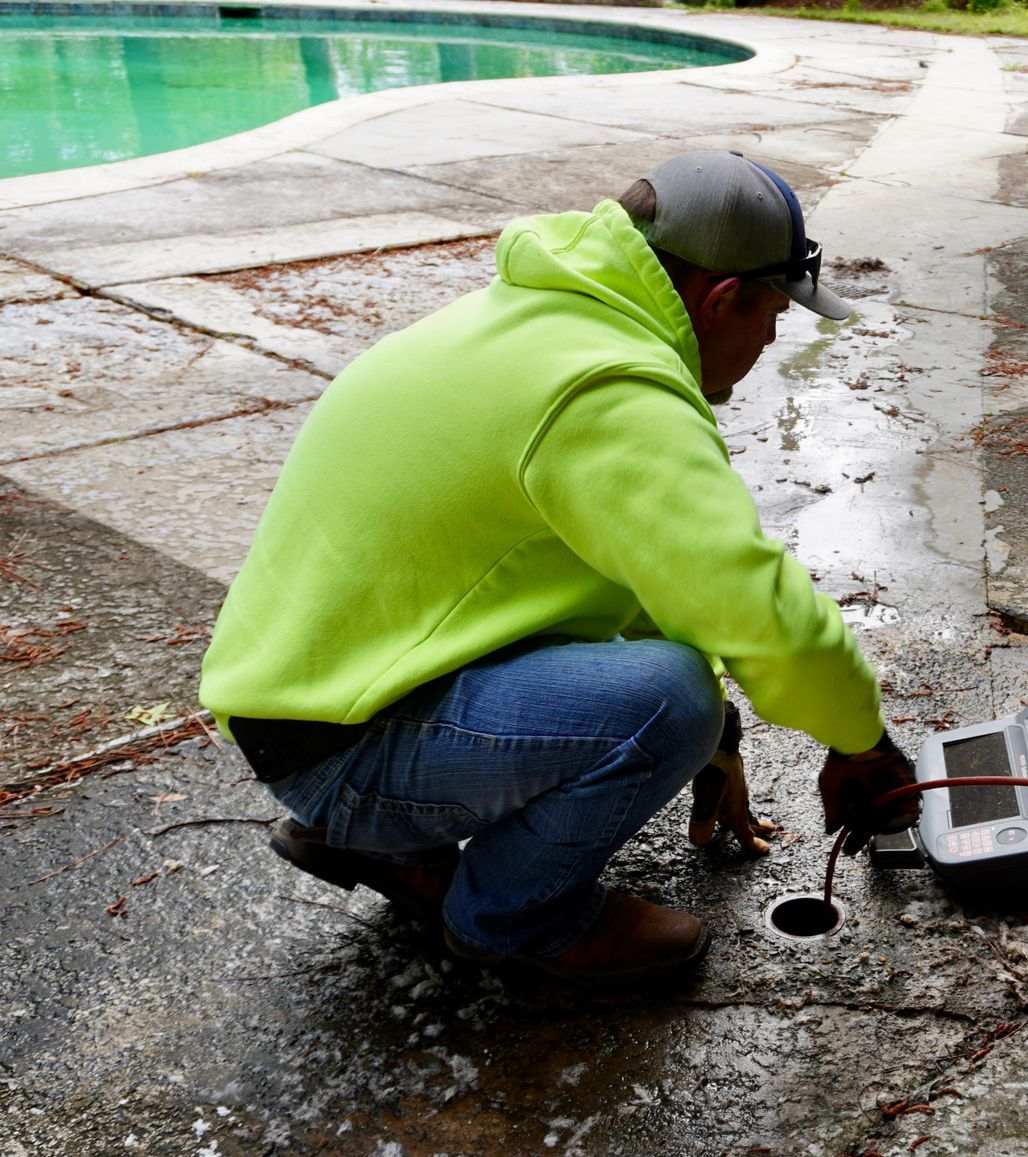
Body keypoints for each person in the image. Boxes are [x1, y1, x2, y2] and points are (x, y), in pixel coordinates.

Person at [198, 151, 919, 988]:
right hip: (347, 753)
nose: (767, 340)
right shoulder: (607, 389)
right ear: (722, 300)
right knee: (671, 696)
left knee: (688, 701)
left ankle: (393, 843)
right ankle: (514, 921)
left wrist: (720, 738)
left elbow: (642, 575)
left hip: (312, 708)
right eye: (774, 317)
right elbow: (762, 612)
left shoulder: (530, 320)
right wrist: (862, 745)